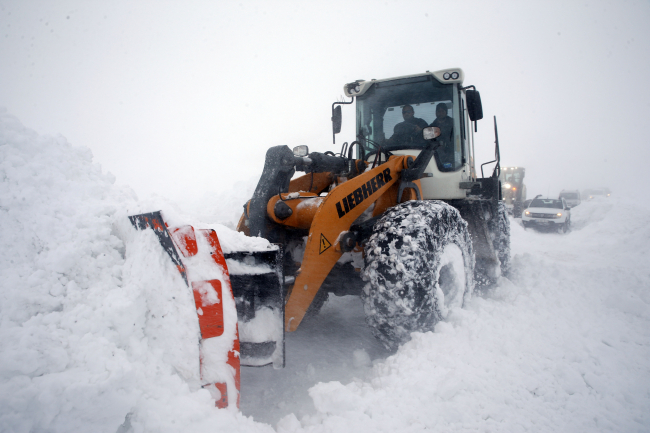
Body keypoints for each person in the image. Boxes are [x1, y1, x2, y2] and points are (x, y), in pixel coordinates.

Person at [429, 103, 455, 169]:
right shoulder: (431, 126)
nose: (440, 113)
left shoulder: (454, 123)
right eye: (438, 111)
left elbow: (457, 138)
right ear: (435, 113)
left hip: (452, 153)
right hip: (437, 154)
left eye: (442, 111)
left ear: (446, 112)